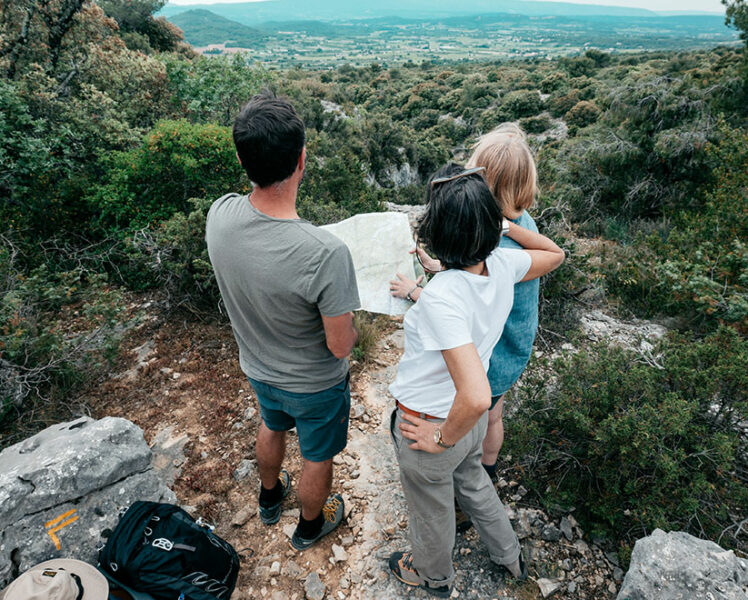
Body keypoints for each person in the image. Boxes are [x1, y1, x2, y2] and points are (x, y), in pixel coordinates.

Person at [387, 164, 564, 597]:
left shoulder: (444, 296)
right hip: (473, 430)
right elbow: (555, 254)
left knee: (431, 510)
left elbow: (476, 394)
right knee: (474, 482)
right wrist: (507, 228)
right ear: (490, 228)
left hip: (432, 422)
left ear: (438, 236)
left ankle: (434, 576)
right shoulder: (503, 263)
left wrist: (440, 438)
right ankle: (509, 554)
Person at [206, 92, 359, 551]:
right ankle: (311, 525)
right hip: (314, 385)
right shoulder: (325, 253)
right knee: (317, 456)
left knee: (271, 426)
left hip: (257, 368)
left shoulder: (220, 214)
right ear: (302, 160)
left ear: (241, 156)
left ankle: (270, 497)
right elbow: (341, 347)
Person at [391, 123, 541, 482]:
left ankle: (469, 468)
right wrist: (442, 267)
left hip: (493, 349)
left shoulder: (496, 245)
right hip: (515, 343)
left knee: (483, 413)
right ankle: (488, 471)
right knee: (495, 414)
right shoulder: (523, 226)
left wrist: (416, 292)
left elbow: (465, 305)